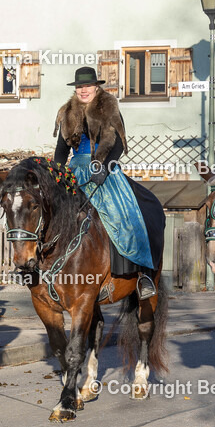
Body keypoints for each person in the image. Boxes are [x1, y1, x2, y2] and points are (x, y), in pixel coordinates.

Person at [53, 67, 164, 300]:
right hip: (75, 172)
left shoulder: (109, 107)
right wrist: (57, 174)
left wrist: (105, 167)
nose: (83, 90)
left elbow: (119, 145)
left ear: (96, 87)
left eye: (88, 86)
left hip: (104, 168)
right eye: (80, 87)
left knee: (126, 214)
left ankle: (143, 273)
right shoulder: (67, 112)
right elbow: (61, 151)